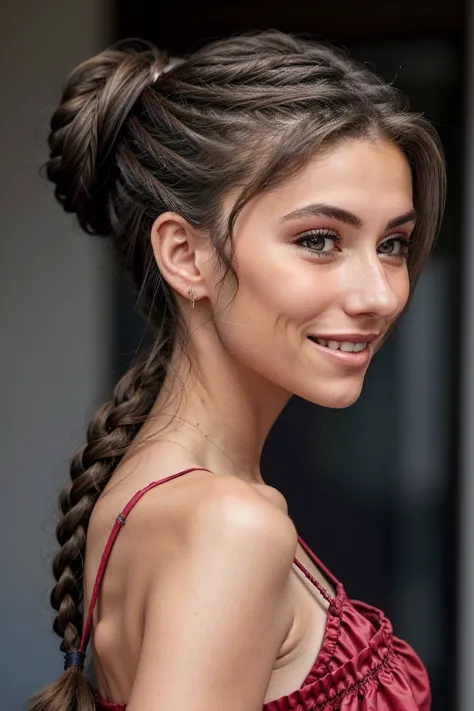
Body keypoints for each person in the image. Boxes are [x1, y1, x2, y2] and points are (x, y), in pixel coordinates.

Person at [29, 30, 445, 711]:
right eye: (319, 240)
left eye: (393, 243)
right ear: (186, 255)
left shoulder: (168, 495)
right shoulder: (228, 526)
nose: (380, 294)